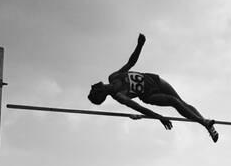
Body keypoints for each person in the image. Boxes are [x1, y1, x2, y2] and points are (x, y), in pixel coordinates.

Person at [88, 33, 219, 142]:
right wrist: (159, 117)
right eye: (94, 89)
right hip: (149, 95)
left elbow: (130, 63)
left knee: (182, 103)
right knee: (174, 102)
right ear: (100, 93)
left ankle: (205, 123)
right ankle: (204, 123)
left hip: (154, 80)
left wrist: (140, 45)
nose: (94, 85)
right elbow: (139, 108)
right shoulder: (119, 96)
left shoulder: (113, 77)